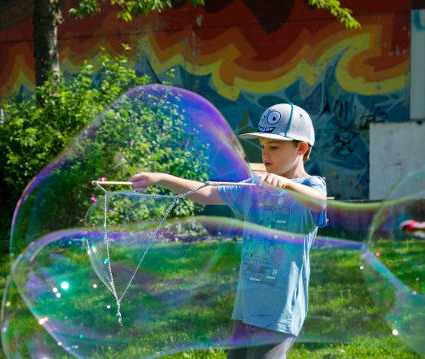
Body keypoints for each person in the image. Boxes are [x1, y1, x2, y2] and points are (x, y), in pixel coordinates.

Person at [130, 103, 327, 359]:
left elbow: (320, 202)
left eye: (274, 147)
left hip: (280, 314)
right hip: (246, 309)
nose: (265, 154)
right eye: (263, 146)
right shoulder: (256, 186)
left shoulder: (311, 185)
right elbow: (209, 191)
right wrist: (162, 178)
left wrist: (289, 185)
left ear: (301, 148)